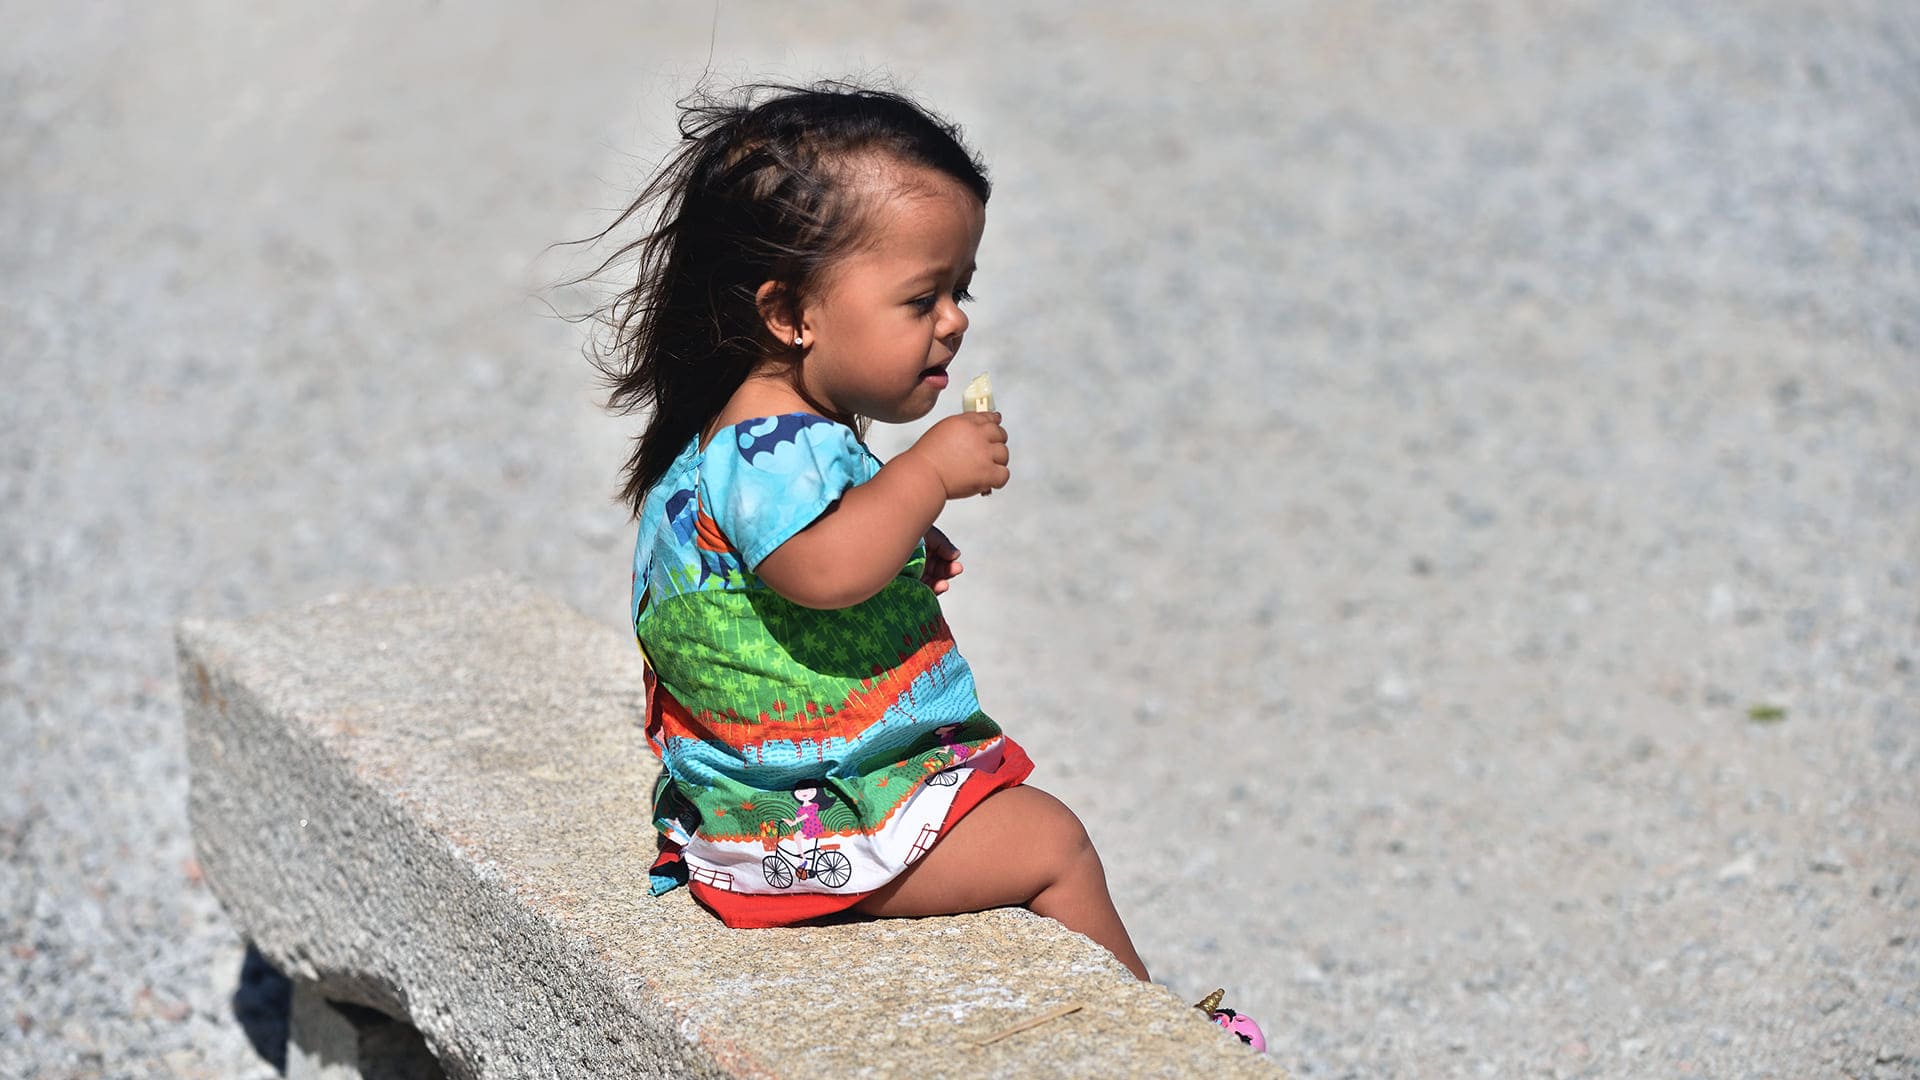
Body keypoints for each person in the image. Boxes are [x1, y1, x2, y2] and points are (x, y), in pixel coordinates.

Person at [586, 81, 1261, 1042]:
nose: (954, 321)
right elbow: (824, 571)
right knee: (1053, 842)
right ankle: (1158, 1042)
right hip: (800, 829)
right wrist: (925, 476)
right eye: (920, 297)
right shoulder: (765, 450)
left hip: (782, 795)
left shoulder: (758, 433)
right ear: (790, 313)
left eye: (961, 290)